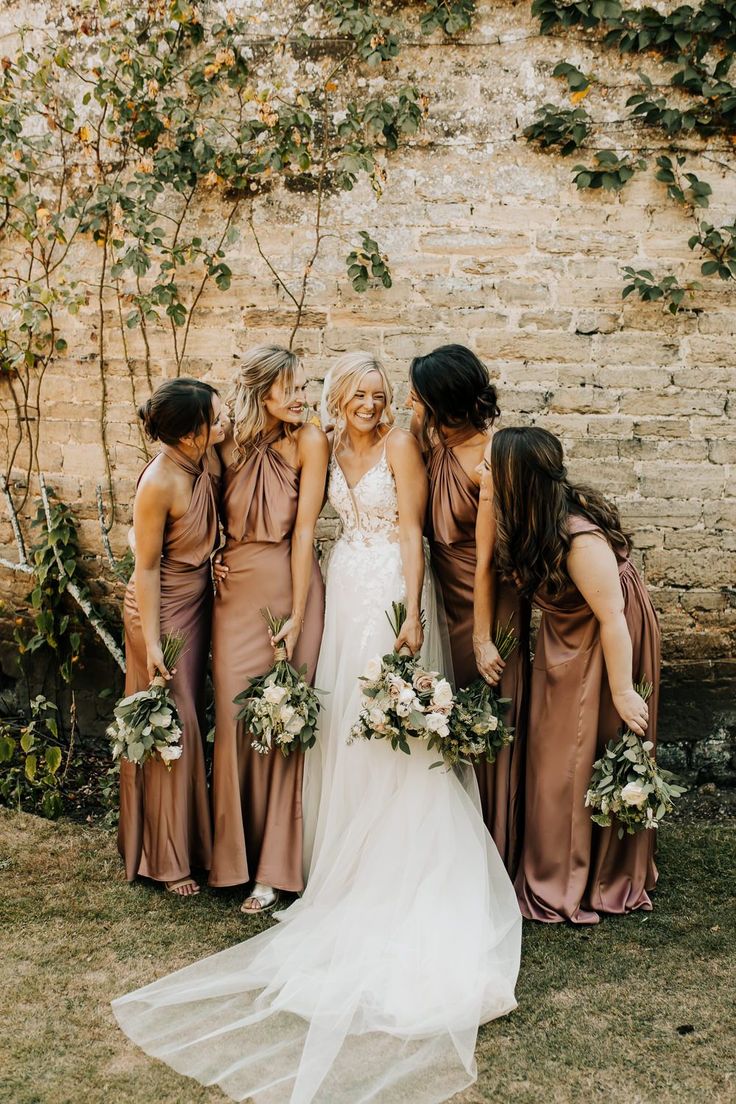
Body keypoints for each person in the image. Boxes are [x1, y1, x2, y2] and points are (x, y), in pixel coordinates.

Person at [112, 352, 522, 1104]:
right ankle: (330, 855)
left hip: (388, 590)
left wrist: (415, 609)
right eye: (355, 394)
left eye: (377, 394)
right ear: (338, 401)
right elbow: (290, 521)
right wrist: (278, 589)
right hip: (341, 585)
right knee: (337, 722)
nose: (369, 404)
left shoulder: (399, 444)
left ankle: (395, 859)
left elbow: (409, 531)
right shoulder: (320, 442)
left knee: (384, 724)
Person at [486, 426, 660, 924]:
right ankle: (560, 861)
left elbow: (613, 618)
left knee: (581, 751)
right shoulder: (531, 522)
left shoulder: (579, 539)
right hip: (569, 636)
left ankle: (582, 875)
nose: (482, 472)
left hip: (612, 638)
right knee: (558, 753)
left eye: (491, 467)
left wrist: (623, 691)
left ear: (516, 478)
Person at [208, 345, 327, 913]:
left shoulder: (309, 440)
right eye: (292, 388)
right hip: (233, 595)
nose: (303, 396)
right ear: (261, 392)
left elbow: (304, 533)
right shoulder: (226, 443)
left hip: (288, 583)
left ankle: (272, 871)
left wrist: (300, 613)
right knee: (236, 720)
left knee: (284, 722)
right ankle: (232, 858)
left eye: (303, 386)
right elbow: (192, 505)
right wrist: (209, 556)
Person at [408, 344, 530, 872]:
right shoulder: (433, 443)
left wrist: (482, 637)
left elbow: (488, 560)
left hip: (487, 603)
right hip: (443, 597)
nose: (408, 398)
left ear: (443, 404)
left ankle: (499, 843)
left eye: (418, 394)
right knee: (453, 714)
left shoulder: (489, 458)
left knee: (492, 713)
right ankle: (457, 840)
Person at [118, 377, 225, 897]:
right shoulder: (160, 481)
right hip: (159, 612)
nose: (223, 421)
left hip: (196, 601)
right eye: (215, 416)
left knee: (190, 712)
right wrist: (154, 643)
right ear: (189, 435)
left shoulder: (200, 459)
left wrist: (217, 561)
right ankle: (165, 858)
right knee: (171, 722)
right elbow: (146, 567)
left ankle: (192, 844)